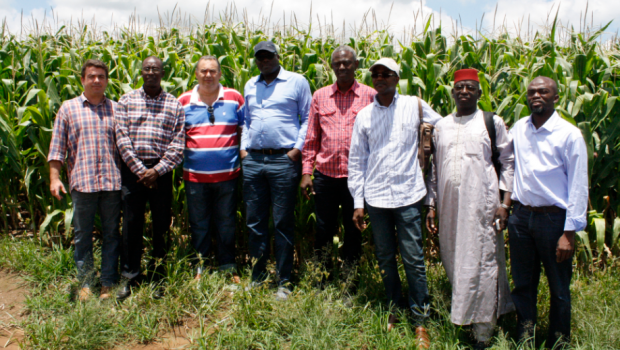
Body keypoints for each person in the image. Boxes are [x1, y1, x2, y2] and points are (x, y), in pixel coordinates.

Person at [348, 57, 441, 348]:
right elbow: (357, 161)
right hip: (376, 198)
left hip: (409, 195)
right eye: (375, 74)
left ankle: (421, 318)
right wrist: (358, 202)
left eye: (386, 74)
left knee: (414, 260)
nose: (380, 78)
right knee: (386, 258)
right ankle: (394, 307)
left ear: (396, 78)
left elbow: (443, 128)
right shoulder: (364, 116)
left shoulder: (414, 105)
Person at [425, 69, 515, 349]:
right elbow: (435, 172)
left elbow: (509, 162)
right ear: (452, 93)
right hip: (449, 209)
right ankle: (465, 318)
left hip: (482, 207)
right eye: (459, 88)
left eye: (470, 88)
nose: (464, 92)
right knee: (455, 259)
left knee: (482, 262)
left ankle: (484, 332)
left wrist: (504, 203)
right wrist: (431, 205)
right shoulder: (441, 126)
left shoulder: (491, 121)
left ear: (479, 93)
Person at [508, 76, 588, 348]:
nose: (536, 96)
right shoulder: (520, 128)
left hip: (553, 220)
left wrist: (569, 232)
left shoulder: (568, 135)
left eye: (544, 91)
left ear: (556, 97)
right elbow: (504, 161)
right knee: (523, 283)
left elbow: (578, 185)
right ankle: (525, 336)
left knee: (559, 288)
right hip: (520, 218)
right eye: (531, 92)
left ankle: (559, 340)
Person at [240, 40, 312, 300]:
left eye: (269, 56)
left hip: (283, 160)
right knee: (255, 222)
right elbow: (245, 120)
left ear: (277, 57)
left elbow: (308, 117)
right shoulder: (250, 84)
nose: (264, 61)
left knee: (282, 222)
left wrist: (296, 150)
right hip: (254, 160)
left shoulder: (296, 82)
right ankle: (257, 277)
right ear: (256, 60)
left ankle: (285, 281)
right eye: (260, 57)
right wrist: (243, 149)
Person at [48, 59, 121, 301]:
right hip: (82, 182)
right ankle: (87, 283)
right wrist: (55, 178)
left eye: (101, 76)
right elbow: (57, 148)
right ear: (82, 80)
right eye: (91, 76)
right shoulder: (68, 109)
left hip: (112, 182)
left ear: (107, 80)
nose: (97, 80)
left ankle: (108, 283)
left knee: (112, 233)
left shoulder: (117, 109)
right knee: (82, 235)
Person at [115, 56, 185, 300]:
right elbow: (121, 138)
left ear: (163, 73)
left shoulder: (174, 105)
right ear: (141, 72)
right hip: (133, 172)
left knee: (161, 225)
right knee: (131, 225)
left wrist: (157, 170)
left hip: (162, 173)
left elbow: (178, 144)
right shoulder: (126, 101)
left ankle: (158, 277)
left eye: (156, 69)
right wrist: (140, 170)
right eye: (147, 68)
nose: (151, 72)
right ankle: (130, 276)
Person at [300, 45, 375, 272]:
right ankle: (322, 276)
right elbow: (312, 137)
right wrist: (306, 172)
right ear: (331, 66)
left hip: (357, 176)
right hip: (326, 176)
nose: (342, 67)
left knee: (353, 229)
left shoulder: (370, 95)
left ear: (356, 65)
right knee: (323, 228)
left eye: (347, 63)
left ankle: (350, 280)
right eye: (337, 63)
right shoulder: (320, 96)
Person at [178, 56, 244, 282]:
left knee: (226, 221)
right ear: (196, 73)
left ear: (220, 74)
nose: (208, 75)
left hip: (228, 176)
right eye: (204, 71)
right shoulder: (184, 101)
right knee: (199, 223)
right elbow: (177, 137)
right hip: (194, 177)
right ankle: (200, 266)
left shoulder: (234, 98)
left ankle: (227, 265)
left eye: (213, 71)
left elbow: (245, 131)